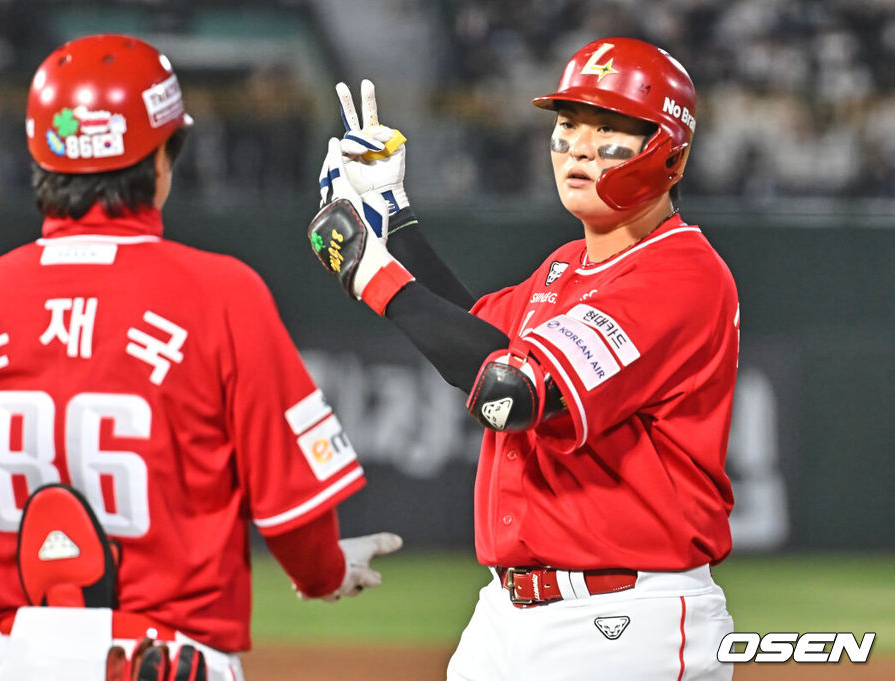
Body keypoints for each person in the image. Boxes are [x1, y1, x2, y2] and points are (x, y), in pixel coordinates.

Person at [0, 33, 401, 681]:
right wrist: (323, 570)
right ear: (162, 156)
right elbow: (296, 514)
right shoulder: (222, 295)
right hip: (163, 659)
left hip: (2, 657)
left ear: (39, 156)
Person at [309, 37, 738, 680]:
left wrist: (371, 274)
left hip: (624, 619)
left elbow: (509, 392)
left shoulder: (681, 272)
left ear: (671, 157)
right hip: (508, 614)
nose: (580, 146)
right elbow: (474, 338)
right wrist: (392, 218)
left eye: (609, 128)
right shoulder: (566, 267)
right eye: (568, 124)